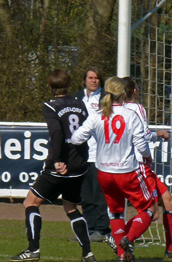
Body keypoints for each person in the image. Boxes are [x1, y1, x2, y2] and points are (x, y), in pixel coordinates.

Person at [10, 69, 96, 262]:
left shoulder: (50, 106)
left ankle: (33, 251)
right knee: (71, 207)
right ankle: (88, 254)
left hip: (61, 164)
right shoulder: (80, 104)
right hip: (79, 164)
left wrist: (56, 160)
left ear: (50, 88)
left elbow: (57, 133)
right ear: (67, 86)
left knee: (30, 202)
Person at [71, 76, 159, 262]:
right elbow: (141, 145)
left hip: (104, 173)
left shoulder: (97, 115)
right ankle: (129, 238)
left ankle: (122, 255)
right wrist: (148, 157)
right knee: (149, 208)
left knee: (116, 211)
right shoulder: (131, 115)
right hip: (126, 172)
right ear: (123, 93)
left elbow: (77, 138)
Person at [118, 76, 172, 258]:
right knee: (152, 212)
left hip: (127, 164)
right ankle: (123, 239)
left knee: (168, 201)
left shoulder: (119, 110)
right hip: (139, 165)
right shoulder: (137, 108)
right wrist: (153, 144)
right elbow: (142, 136)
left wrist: (156, 133)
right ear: (135, 91)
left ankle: (171, 248)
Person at [72, 67, 111, 242]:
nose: (94, 81)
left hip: (100, 154)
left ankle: (102, 229)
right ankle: (89, 228)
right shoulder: (76, 97)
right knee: (85, 194)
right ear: (85, 80)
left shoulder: (105, 99)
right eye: (90, 78)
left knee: (100, 194)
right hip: (81, 155)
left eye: (96, 78)